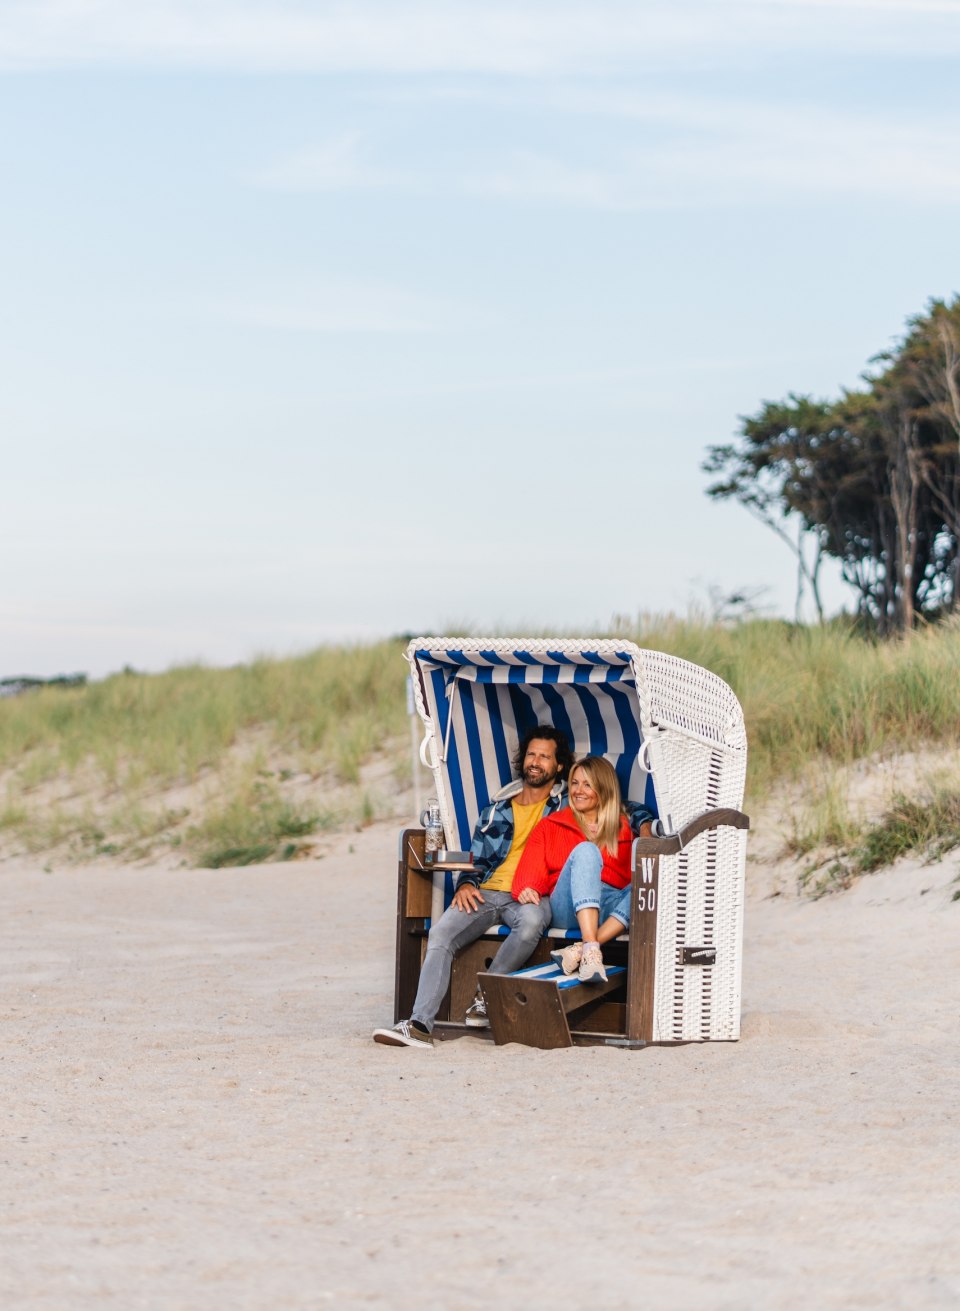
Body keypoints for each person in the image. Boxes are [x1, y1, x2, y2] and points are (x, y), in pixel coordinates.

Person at [372, 725, 574, 1048]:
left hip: (531, 894)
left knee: (533, 921)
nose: (536, 762)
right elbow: (476, 859)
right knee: (440, 934)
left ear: (558, 765)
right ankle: (420, 1025)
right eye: (532, 755)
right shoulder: (497, 809)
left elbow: (605, 805)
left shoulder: (565, 805)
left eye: (545, 757)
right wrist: (466, 883)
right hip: (486, 892)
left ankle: (486, 995)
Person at [511, 755, 654, 983]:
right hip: (568, 906)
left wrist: (645, 826)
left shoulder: (624, 827)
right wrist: (529, 887)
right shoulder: (551, 824)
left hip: (609, 907)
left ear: (604, 789)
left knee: (648, 887)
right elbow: (527, 873)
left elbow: (639, 815)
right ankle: (590, 950)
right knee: (586, 850)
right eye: (575, 783)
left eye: (588, 784)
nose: (578, 790)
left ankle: (583, 949)